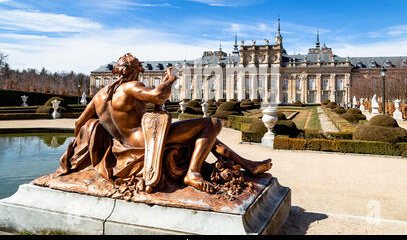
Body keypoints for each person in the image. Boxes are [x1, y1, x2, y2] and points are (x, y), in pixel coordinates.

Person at [58, 53, 272, 194]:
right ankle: (193, 173)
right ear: (134, 71)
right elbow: (159, 95)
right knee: (212, 124)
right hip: (146, 140)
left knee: (205, 138)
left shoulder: (99, 95)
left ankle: (249, 165)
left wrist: (80, 149)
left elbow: (79, 123)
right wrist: (170, 77)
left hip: (124, 144)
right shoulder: (131, 86)